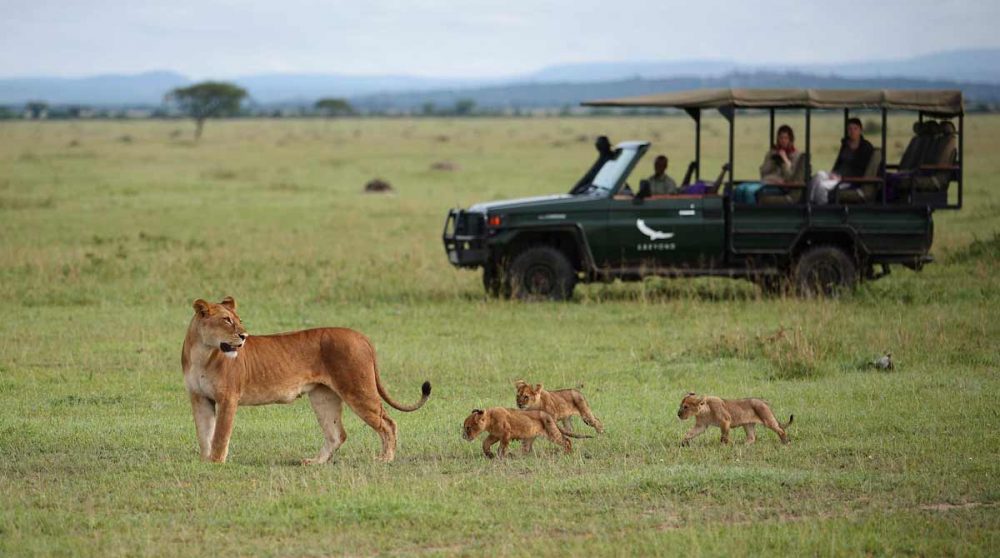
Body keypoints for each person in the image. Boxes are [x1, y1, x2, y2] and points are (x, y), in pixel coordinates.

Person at [809, 118, 875, 205]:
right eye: (850, 129)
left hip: (849, 180)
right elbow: (838, 163)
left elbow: (860, 170)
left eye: (855, 129)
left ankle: (822, 207)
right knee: (818, 176)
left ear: (860, 130)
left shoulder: (866, 147)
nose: (852, 131)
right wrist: (833, 173)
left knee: (822, 186)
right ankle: (809, 202)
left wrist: (842, 178)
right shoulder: (846, 144)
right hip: (837, 175)